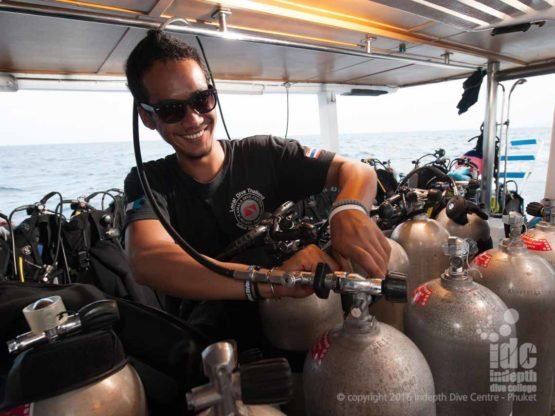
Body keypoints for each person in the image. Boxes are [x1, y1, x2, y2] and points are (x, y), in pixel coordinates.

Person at [123, 30, 390, 337]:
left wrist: (349, 209)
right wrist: (272, 281)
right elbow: (147, 260)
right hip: (217, 342)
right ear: (146, 117)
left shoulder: (265, 154)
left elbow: (357, 170)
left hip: (299, 323)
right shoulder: (149, 182)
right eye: (172, 110)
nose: (194, 119)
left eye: (202, 100)